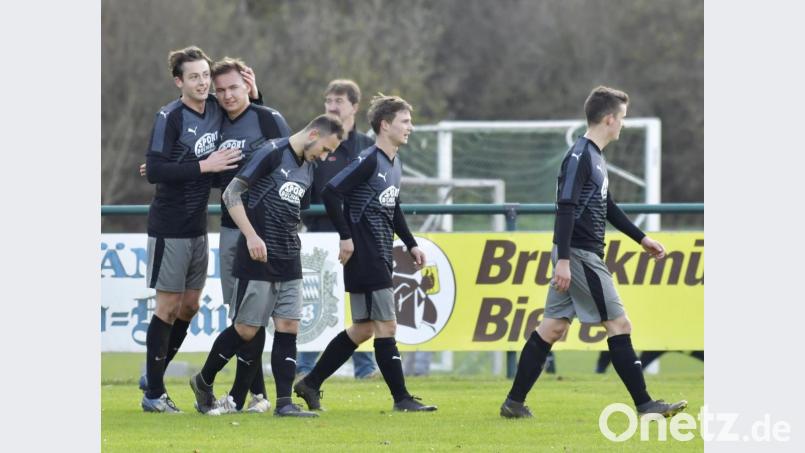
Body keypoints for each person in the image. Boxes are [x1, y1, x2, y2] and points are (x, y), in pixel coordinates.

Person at [499, 86, 687, 419]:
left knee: (553, 328)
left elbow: (607, 206)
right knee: (619, 323)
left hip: (576, 254)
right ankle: (645, 406)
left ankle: (514, 403)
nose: (623, 126)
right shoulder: (580, 156)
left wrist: (640, 238)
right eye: (622, 119)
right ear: (609, 118)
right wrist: (566, 261)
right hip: (580, 255)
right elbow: (566, 207)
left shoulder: (595, 156)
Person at [189, 114, 345, 417]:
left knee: (289, 326)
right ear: (314, 133)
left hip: (289, 257)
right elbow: (231, 193)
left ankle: (285, 403)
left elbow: (296, 209)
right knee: (246, 329)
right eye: (325, 149)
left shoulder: (308, 169)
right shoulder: (272, 153)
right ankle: (203, 380)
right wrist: (250, 236)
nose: (324, 157)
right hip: (257, 256)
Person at [293, 94, 437, 413]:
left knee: (363, 329)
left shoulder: (393, 161)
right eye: (404, 121)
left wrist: (411, 243)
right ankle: (401, 399)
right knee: (386, 327)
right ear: (385, 125)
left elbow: (392, 206)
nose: (410, 127)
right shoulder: (369, 158)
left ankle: (310, 383)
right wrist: (346, 236)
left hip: (380, 250)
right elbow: (331, 192)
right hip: (366, 253)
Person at [140, 46, 243, 413]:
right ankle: (153, 394)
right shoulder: (169, 116)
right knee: (166, 308)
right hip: (169, 227)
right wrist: (204, 165)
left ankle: (152, 375)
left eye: (204, 76)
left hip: (198, 226)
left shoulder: (216, 109)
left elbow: (246, 108)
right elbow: (154, 171)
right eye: (194, 77)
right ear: (178, 81)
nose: (202, 83)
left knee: (190, 306)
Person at [210, 57, 292, 413]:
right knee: (242, 316)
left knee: (260, 316)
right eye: (221, 90)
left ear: (247, 86)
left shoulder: (268, 118)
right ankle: (257, 395)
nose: (228, 95)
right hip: (232, 229)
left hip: (268, 232)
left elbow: (289, 165)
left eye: (234, 87)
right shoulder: (212, 122)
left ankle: (245, 395)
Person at [297, 79, 377, 380]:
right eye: (328, 100)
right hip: (319, 234)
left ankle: (365, 368)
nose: (331, 106)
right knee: (316, 299)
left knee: (362, 302)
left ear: (354, 107)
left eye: (338, 101)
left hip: (357, 235)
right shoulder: (315, 146)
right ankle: (305, 367)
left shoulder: (367, 147)